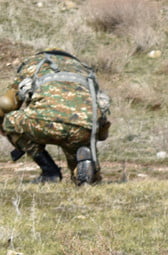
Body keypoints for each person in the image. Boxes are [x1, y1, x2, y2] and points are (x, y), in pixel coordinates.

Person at [0, 49, 110, 185]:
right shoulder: (82, 69)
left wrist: (2, 123)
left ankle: (50, 172)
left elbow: (7, 104)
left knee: (10, 121)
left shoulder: (34, 64)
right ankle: (83, 168)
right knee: (82, 163)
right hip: (83, 126)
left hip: (43, 122)